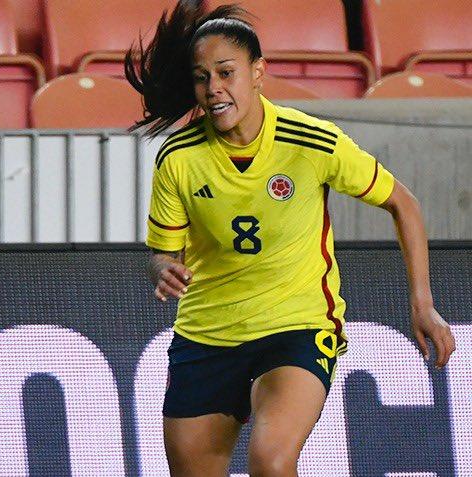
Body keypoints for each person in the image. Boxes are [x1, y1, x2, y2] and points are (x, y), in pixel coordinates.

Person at [126, 4, 456, 476]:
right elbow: (163, 252)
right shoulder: (178, 157)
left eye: (226, 73)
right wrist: (163, 269)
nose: (213, 88)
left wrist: (423, 304)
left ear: (258, 73)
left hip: (296, 326)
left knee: (272, 460)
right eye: (202, 78)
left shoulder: (311, 142)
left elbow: (404, 203)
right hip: (206, 334)